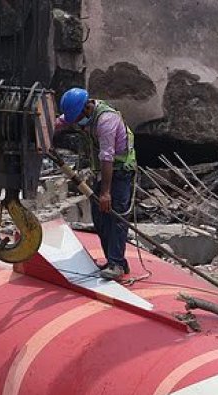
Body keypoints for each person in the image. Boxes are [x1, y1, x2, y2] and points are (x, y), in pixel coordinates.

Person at [56, 87, 137, 280]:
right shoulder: (83, 112)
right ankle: (114, 261)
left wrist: (106, 193)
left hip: (120, 171)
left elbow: (107, 157)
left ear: (86, 109)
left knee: (116, 216)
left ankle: (116, 264)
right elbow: (61, 121)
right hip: (103, 171)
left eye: (76, 118)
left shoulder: (106, 121)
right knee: (100, 217)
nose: (75, 123)